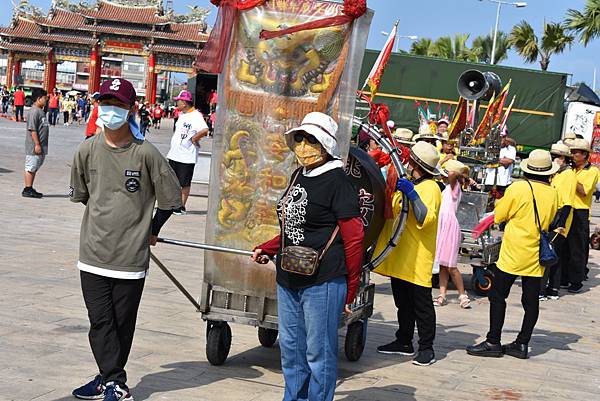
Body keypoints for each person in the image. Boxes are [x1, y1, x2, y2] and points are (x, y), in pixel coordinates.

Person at [69, 78, 182, 401]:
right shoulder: (86, 150)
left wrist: (153, 228)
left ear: (132, 109)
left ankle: (110, 380)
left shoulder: (145, 153)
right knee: (99, 321)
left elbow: (171, 198)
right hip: (92, 251)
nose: (111, 111)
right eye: (106, 103)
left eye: (118, 105)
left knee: (121, 324)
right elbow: (83, 194)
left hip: (130, 257)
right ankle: (114, 381)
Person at [251, 112, 364, 401]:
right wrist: (270, 247)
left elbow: (353, 239)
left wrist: (350, 289)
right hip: (288, 276)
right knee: (291, 348)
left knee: (319, 352)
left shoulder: (339, 182)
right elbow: (294, 227)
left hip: (323, 281)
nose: (303, 145)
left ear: (325, 144)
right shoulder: (299, 174)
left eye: (310, 139)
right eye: (299, 138)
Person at [467, 149, 558, 360]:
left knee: (498, 296)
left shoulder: (519, 188)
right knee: (531, 301)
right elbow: (551, 219)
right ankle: (522, 343)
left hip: (513, 252)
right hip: (536, 254)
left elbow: (500, 214)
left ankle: (493, 341)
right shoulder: (553, 192)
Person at [374, 141, 442, 366]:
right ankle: (403, 340)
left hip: (417, 258)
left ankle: (427, 348)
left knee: (422, 306)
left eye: (410, 162)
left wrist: (412, 195)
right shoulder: (411, 182)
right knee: (403, 302)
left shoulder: (430, 188)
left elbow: (424, 217)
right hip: (401, 256)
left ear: (417, 165)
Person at [433, 159, 471, 309]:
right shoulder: (448, 188)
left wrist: (458, 174)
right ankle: (442, 294)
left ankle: (462, 294)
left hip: (450, 227)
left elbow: (452, 175)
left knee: (451, 266)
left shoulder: (455, 187)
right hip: (442, 226)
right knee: (443, 265)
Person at [563, 139, 599, 293]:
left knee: (577, 248)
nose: (573, 155)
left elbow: (584, 190)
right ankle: (563, 277)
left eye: (576, 152)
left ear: (584, 155)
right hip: (566, 208)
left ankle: (576, 280)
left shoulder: (592, 171)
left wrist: (569, 177)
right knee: (564, 247)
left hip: (580, 211)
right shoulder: (570, 169)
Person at [540, 143, 575, 301]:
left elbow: (567, 202)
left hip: (560, 217)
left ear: (565, 159)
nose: (555, 160)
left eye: (558, 157)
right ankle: (553, 289)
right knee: (554, 255)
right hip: (553, 215)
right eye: (553, 156)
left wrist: (561, 224)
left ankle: (542, 290)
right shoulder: (556, 174)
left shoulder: (568, 175)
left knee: (547, 253)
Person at [166, 90, 209, 214]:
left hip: (186, 156)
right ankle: (172, 204)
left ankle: (180, 207)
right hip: (174, 154)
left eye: (178, 101)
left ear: (184, 103)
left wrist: (194, 138)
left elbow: (205, 129)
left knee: (184, 183)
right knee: (172, 181)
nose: (176, 103)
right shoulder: (182, 115)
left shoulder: (196, 115)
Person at [22, 89, 49, 198]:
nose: (46, 101)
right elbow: (32, 129)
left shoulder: (40, 111)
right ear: (38, 99)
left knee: (35, 166)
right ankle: (27, 189)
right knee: (31, 166)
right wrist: (37, 144)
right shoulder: (34, 111)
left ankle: (30, 187)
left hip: (41, 146)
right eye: (45, 99)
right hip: (34, 146)